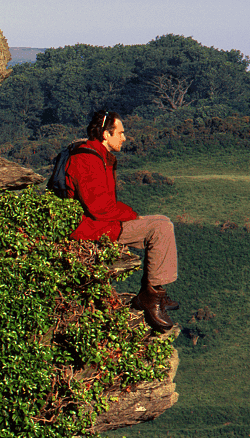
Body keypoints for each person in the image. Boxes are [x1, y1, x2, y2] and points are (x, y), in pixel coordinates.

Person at [62, 110, 178, 331]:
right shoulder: (87, 158)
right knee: (160, 227)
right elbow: (99, 208)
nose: (124, 138)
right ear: (106, 134)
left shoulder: (98, 156)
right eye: (121, 133)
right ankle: (151, 299)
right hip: (90, 228)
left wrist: (131, 215)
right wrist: (132, 215)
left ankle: (154, 293)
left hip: (99, 223)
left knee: (162, 221)